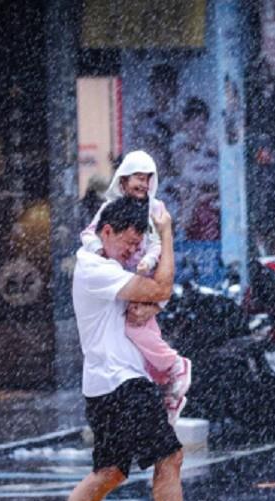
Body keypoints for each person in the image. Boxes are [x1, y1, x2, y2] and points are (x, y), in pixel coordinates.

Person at [22, 197, 227, 501]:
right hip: (121, 383)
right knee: (169, 456)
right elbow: (162, 285)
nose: (133, 253)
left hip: (107, 385)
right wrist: (165, 233)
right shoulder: (95, 268)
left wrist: (152, 303)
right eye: (128, 245)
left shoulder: (105, 266)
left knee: (110, 472)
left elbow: (152, 300)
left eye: (138, 247)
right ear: (106, 232)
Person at [80, 151, 192, 421]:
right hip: (120, 284)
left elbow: (159, 251)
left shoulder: (157, 211)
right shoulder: (109, 210)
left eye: (147, 178)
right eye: (137, 178)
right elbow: (88, 235)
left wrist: (153, 294)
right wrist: (101, 254)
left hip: (143, 280)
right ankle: (169, 391)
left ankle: (176, 367)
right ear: (123, 179)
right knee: (135, 338)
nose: (142, 184)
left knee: (138, 328)